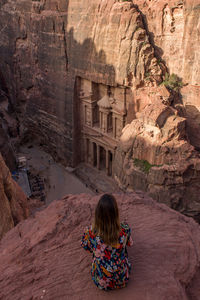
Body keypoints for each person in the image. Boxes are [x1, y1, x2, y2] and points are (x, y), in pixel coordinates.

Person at [81, 194, 133, 291]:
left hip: (101, 281)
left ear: (97, 214)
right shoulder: (125, 229)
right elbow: (130, 244)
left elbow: (86, 248)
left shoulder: (90, 232)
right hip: (122, 279)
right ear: (116, 213)